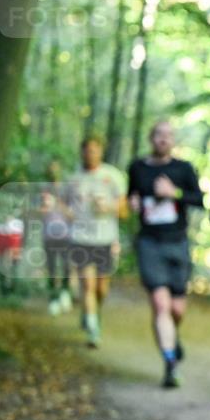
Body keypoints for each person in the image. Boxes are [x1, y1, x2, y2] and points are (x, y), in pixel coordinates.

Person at [128, 121, 204, 388]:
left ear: (173, 140)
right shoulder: (137, 167)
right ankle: (170, 363)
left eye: (169, 136)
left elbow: (199, 200)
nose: (164, 139)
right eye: (159, 135)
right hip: (149, 243)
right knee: (160, 305)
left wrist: (175, 193)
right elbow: (132, 196)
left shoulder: (183, 169)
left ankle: (172, 337)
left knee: (176, 309)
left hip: (177, 243)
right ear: (152, 138)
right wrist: (133, 202)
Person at [66, 135, 126, 347]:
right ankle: (93, 330)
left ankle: (91, 313)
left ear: (100, 151)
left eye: (94, 150)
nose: (90, 154)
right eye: (86, 150)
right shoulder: (73, 178)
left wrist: (108, 207)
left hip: (105, 238)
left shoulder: (112, 176)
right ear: (81, 152)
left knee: (101, 289)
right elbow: (63, 206)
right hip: (81, 238)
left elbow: (124, 209)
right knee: (87, 284)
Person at [38, 160, 73, 315]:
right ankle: (53, 298)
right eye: (51, 168)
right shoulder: (42, 191)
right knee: (51, 268)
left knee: (66, 266)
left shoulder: (67, 191)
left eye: (56, 168)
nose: (54, 171)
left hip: (66, 235)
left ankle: (65, 292)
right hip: (48, 235)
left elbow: (73, 215)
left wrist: (59, 204)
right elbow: (37, 213)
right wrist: (44, 208)